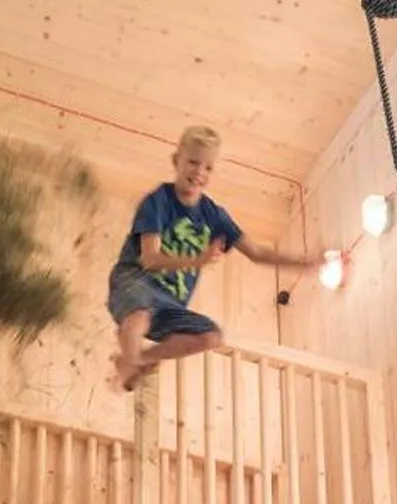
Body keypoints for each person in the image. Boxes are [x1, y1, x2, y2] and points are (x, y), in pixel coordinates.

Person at [107, 125, 314, 390]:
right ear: (176, 161)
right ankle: (130, 361)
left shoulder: (214, 216)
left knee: (211, 337)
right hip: (136, 281)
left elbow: (257, 253)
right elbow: (150, 259)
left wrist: (304, 263)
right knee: (139, 315)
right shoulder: (158, 201)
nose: (199, 172)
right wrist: (196, 261)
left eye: (208, 167)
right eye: (193, 162)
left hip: (170, 305)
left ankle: (134, 360)